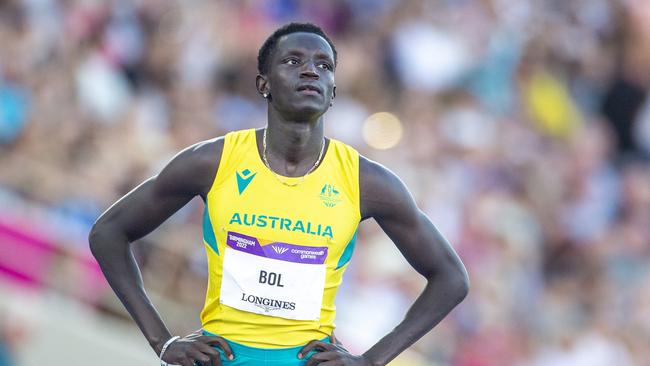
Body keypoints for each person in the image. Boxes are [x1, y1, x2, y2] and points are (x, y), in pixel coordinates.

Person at [89, 22, 469, 366]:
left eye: (324, 66)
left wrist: (370, 361)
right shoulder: (213, 161)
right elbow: (108, 233)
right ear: (263, 84)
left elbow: (451, 277)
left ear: (333, 91)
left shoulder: (366, 182)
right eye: (293, 61)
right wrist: (163, 341)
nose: (310, 70)